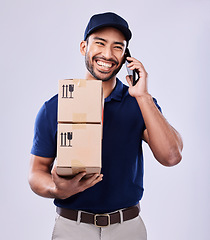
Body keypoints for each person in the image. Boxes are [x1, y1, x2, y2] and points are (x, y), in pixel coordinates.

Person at [28, 12, 183, 240]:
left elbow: (171, 156)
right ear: (84, 47)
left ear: (126, 56)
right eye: (100, 43)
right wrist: (57, 189)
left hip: (127, 227)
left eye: (118, 47)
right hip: (72, 227)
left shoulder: (139, 103)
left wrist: (143, 96)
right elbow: (36, 172)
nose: (108, 54)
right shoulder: (56, 106)